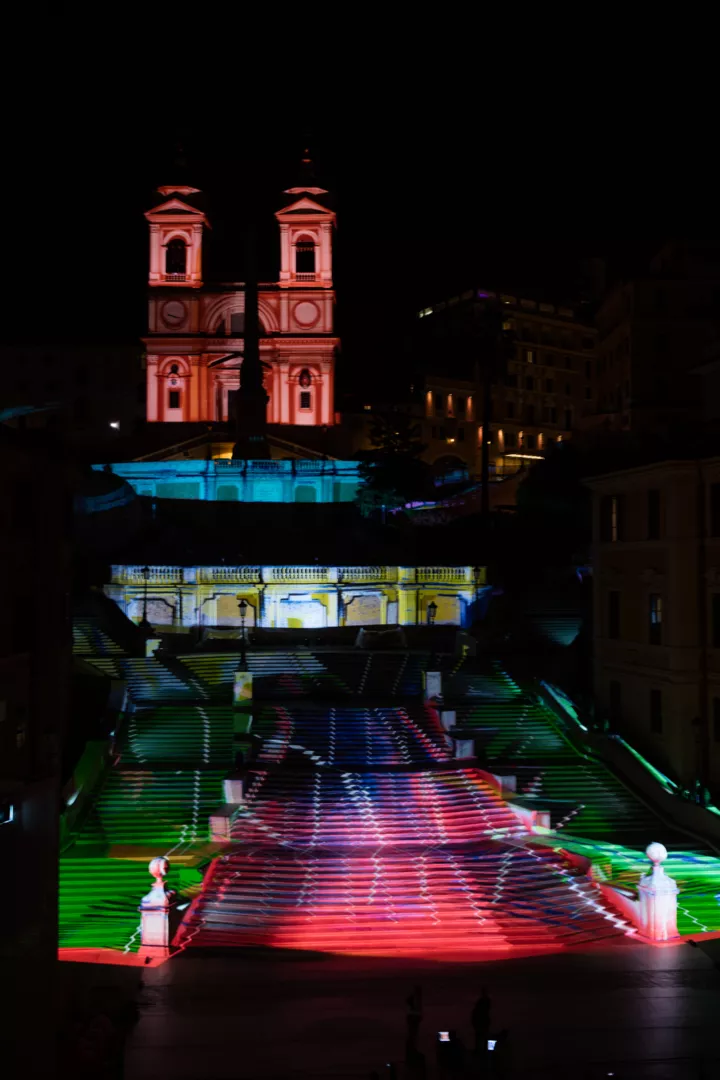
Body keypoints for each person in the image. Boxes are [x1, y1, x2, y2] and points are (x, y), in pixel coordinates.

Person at [471, 988, 492, 1052]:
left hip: (481, 1023)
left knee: (481, 1038)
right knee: (481, 1037)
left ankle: (481, 1050)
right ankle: (482, 1051)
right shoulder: (484, 1003)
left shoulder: (483, 1003)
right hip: (481, 1023)